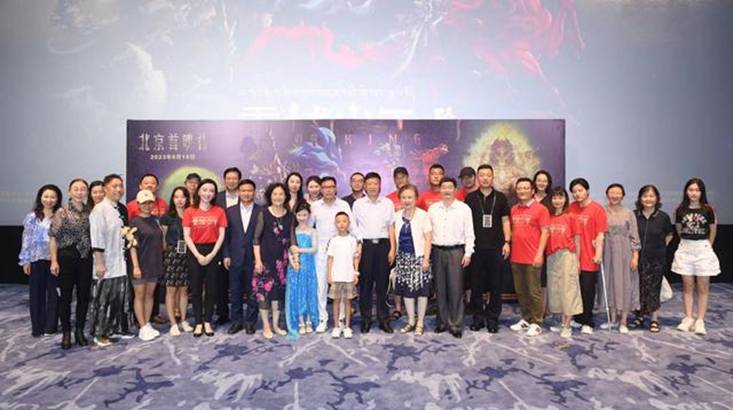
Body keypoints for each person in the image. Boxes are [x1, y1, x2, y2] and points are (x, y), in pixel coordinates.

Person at [464, 164, 511, 334]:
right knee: (476, 285)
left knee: (495, 285)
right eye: (482, 175)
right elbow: (465, 224)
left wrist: (507, 241)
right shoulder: (470, 198)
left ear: (492, 177)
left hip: (496, 248)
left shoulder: (501, 197)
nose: (485, 178)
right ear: (478, 177)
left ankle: (492, 318)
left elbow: (505, 221)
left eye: (488, 175)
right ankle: (478, 318)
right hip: (476, 249)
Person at [89, 174, 134, 347]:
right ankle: (99, 333)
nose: (119, 189)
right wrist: (100, 262)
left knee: (118, 298)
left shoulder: (118, 209)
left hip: (119, 261)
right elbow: (97, 237)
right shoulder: (99, 209)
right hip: (105, 262)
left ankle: (115, 329)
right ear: (105, 188)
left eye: (121, 186)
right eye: (114, 186)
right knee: (103, 300)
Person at [672, 178, 720, 335]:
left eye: (697, 190)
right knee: (687, 286)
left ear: (702, 192)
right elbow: (679, 230)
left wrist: (707, 246)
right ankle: (688, 317)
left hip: (703, 249)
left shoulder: (708, 210)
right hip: (686, 248)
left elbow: (713, 230)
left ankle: (700, 320)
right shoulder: (680, 210)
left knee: (703, 287)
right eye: (691, 190)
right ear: (686, 191)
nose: (693, 193)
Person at [428, 177, 475, 338]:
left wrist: (468, 253)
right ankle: (442, 322)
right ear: (440, 190)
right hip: (437, 251)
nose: (447, 190)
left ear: (455, 190)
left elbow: (469, 233)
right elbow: (428, 233)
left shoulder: (464, 209)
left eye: (450, 187)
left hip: (456, 252)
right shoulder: (433, 209)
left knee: (456, 289)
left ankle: (455, 324)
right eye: (444, 187)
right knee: (439, 289)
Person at [182, 178, 228, 337]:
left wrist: (212, 255)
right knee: (195, 290)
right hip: (194, 251)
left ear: (214, 194)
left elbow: (221, 235)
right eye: (204, 190)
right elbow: (186, 236)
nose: (207, 193)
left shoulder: (219, 211)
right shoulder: (189, 211)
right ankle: (198, 322)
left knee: (211, 289)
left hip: (213, 251)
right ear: (199, 191)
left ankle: (207, 321)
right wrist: (198, 255)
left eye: (211, 191)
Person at [353, 172, 396, 333]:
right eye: (369, 184)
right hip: (365, 247)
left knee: (382, 285)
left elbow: (391, 227)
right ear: (365, 186)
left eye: (375, 183)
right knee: (365, 285)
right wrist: (357, 248)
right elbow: (354, 227)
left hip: (383, 246)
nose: (372, 187)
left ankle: (384, 319)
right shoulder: (358, 204)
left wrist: (393, 248)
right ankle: (365, 319)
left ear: (380, 185)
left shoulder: (387, 203)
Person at [310, 176, 354, 333]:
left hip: (341, 254)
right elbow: (309, 228)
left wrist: (358, 243)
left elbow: (352, 226)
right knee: (321, 288)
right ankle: (322, 319)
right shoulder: (315, 206)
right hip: (321, 254)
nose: (328, 190)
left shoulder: (343, 205)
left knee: (341, 288)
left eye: (331, 187)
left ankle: (341, 320)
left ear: (336, 188)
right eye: (325, 187)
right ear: (321, 189)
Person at [508, 178, 550, 337]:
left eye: (526, 188)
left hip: (533, 257)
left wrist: (540, 254)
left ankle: (537, 322)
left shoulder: (541, 209)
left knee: (534, 291)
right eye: (519, 188)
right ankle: (526, 318)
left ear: (532, 191)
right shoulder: (514, 209)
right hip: (516, 257)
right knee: (521, 291)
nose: (522, 191)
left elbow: (545, 232)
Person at [20, 184, 62, 339]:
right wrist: (25, 260)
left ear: (57, 199)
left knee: (54, 294)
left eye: (52, 197)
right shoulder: (32, 217)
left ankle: (50, 327)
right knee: (36, 295)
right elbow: (26, 239)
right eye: (46, 196)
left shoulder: (61, 216)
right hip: (36, 260)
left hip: (55, 260)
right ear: (40, 198)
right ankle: (37, 327)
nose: (49, 200)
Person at [253, 182, 294, 339]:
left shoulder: (290, 216)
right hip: (265, 261)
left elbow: (292, 240)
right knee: (264, 294)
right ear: (270, 196)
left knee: (277, 294)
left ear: (286, 196)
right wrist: (258, 261)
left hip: (282, 262)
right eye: (275, 194)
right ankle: (266, 325)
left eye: (281, 194)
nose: (278, 197)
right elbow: (256, 240)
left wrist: (294, 258)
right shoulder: (263, 213)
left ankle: (276, 325)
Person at [568, 178, 608, 335]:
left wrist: (598, 254)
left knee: (587, 290)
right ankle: (577, 318)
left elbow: (600, 234)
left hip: (589, 256)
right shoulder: (571, 208)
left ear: (587, 191)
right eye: (574, 192)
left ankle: (587, 321)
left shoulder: (597, 209)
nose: (577, 194)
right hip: (572, 255)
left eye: (580, 190)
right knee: (574, 289)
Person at [632, 185, 673, 333]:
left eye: (651, 196)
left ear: (657, 198)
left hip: (656, 259)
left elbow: (669, 234)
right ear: (640, 198)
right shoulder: (634, 215)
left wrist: (660, 247)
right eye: (645, 196)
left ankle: (654, 319)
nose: (648, 199)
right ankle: (640, 315)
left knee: (654, 289)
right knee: (639, 287)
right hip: (636, 258)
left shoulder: (663, 217)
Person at [223, 179, 262, 335]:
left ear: (254, 192)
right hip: (235, 257)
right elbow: (225, 236)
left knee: (253, 291)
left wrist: (260, 259)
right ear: (239, 192)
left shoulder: (261, 211)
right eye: (243, 190)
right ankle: (236, 322)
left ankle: (251, 322)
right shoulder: (230, 211)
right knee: (235, 291)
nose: (246, 193)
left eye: (249, 190)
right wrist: (226, 254)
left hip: (254, 258)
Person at [601, 183, 641, 334]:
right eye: (612, 192)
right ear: (607, 194)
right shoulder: (602, 211)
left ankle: (623, 320)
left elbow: (634, 236)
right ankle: (612, 318)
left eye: (618, 193)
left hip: (625, 252)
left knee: (624, 284)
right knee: (610, 283)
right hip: (607, 252)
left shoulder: (628, 213)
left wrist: (635, 256)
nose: (615, 196)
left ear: (623, 195)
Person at [394, 184, 432, 336]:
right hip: (403, 259)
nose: (407, 200)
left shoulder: (423, 215)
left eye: (410, 197)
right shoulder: (397, 216)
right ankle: (411, 321)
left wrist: (426, 259)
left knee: (422, 292)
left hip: (419, 258)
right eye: (404, 197)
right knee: (407, 292)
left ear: (416, 199)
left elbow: (428, 239)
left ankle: (420, 322)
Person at [545, 186, 583, 339]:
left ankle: (567, 325)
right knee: (556, 289)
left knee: (569, 289)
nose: (557, 201)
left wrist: (578, 261)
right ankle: (562, 322)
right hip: (552, 256)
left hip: (567, 255)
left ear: (566, 199)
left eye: (560, 197)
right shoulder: (548, 217)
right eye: (554, 198)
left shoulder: (571, 217)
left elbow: (577, 240)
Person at [129, 189, 164, 341]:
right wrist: (135, 266)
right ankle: (142, 326)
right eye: (144, 203)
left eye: (150, 202)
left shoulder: (156, 220)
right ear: (138, 204)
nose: (147, 206)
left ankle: (147, 323)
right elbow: (132, 246)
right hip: (140, 264)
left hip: (154, 263)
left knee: (150, 295)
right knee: (140, 295)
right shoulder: (134, 222)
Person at [160, 187, 193, 336]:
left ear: (187, 199)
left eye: (182, 197)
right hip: (172, 255)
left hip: (188, 254)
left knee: (184, 290)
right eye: (176, 197)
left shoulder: (191, 214)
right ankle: (173, 323)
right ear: (172, 199)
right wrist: (167, 255)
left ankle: (183, 320)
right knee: (171, 290)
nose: (180, 200)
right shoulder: (167, 217)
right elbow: (163, 240)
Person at [285, 201, 319, 339]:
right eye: (299, 215)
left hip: (308, 265)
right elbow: (289, 249)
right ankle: (300, 321)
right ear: (295, 215)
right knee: (297, 293)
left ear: (309, 215)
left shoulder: (312, 231)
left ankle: (309, 319)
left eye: (305, 215)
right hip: (295, 266)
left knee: (309, 291)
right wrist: (292, 260)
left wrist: (299, 250)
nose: (302, 218)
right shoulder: (293, 231)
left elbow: (314, 249)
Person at [215, 167, 243, 326]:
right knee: (221, 282)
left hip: (239, 244)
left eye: (235, 178)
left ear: (239, 180)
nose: (232, 181)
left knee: (239, 283)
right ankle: (222, 313)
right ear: (224, 180)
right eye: (229, 178)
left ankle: (239, 314)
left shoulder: (245, 196)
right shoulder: (217, 197)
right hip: (219, 243)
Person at [327, 212, 360, 339]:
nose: (341, 224)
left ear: (349, 223)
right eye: (339, 222)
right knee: (336, 302)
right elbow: (330, 259)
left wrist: (356, 273)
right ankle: (336, 326)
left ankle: (347, 326)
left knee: (347, 302)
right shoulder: (333, 240)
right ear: (335, 224)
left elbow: (355, 258)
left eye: (344, 221)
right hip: (336, 276)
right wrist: (329, 275)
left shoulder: (352, 240)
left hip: (348, 276)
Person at [532, 170, 553, 319]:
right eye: (539, 180)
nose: (541, 183)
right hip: (529, 242)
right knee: (531, 277)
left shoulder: (552, 199)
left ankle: (544, 309)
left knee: (544, 278)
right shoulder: (528, 198)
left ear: (548, 183)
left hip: (547, 242)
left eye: (544, 181)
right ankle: (533, 309)